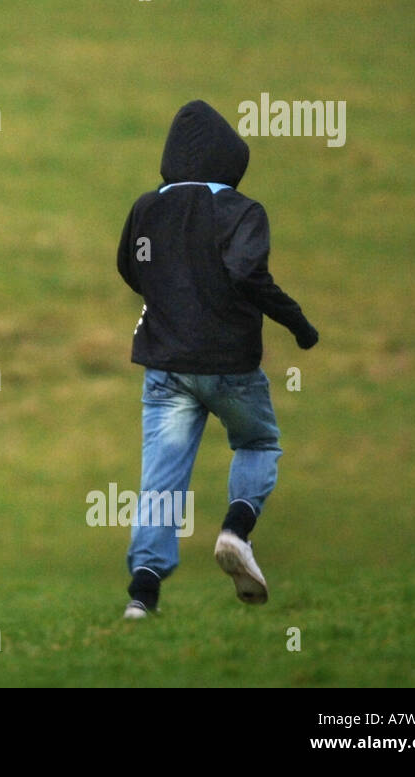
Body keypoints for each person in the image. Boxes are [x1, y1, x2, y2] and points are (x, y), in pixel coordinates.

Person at [116, 101, 318, 619]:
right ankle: (236, 530)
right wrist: (297, 322)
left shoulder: (146, 207)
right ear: (230, 158)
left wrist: (167, 298)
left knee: (160, 480)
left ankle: (143, 595)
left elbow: (131, 266)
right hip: (230, 364)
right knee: (257, 441)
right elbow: (248, 275)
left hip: (165, 366)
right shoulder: (241, 211)